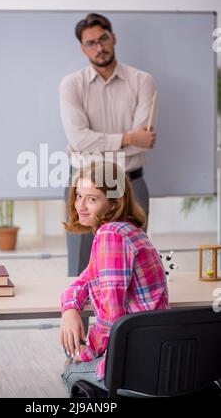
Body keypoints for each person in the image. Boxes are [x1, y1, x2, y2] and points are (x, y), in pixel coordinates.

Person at [60, 12, 157, 276]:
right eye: (91, 43)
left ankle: (126, 321)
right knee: (81, 270)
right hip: (85, 187)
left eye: (103, 39)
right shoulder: (72, 85)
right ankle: (79, 319)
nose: (99, 47)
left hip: (131, 185)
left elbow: (143, 142)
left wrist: (98, 144)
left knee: (131, 268)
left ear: (113, 38)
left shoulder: (142, 81)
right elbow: (78, 138)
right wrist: (128, 138)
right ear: (83, 48)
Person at [60, 160, 169, 393]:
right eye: (79, 195)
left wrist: (86, 353)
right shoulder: (127, 230)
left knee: (69, 370)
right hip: (154, 350)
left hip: (135, 360)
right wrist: (70, 309)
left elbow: (113, 315)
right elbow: (84, 280)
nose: (80, 206)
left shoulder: (111, 236)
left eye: (92, 198)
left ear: (114, 203)